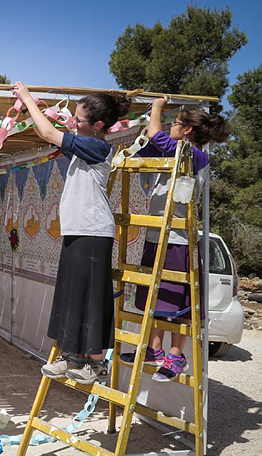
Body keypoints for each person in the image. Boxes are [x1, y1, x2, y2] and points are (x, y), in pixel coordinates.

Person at [13, 82, 131, 385]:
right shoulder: (82, 143)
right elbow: (51, 133)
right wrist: (32, 109)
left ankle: (96, 363)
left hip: (93, 232)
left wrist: (27, 98)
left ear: (99, 125)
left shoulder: (98, 146)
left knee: (91, 297)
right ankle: (73, 356)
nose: (74, 123)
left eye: (79, 120)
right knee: (72, 295)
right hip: (78, 230)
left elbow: (48, 133)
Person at [123, 96, 228, 381]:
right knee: (156, 297)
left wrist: (156, 107)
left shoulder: (195, 155)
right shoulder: (173, 151)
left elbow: (158, 135)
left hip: (179, 239)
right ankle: (154, 350)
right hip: (157, 233)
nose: (170, 126)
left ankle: (176, 356)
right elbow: (146, 147)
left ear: (188, 131)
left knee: (177, 300)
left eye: (176, 123)